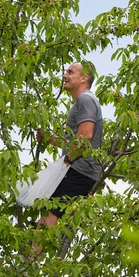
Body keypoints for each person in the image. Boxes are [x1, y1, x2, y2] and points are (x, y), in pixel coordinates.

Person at [36, 61, 103, 229]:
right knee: (49, 209)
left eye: (70, 72)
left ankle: (33, 256)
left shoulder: (85, 99)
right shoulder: (81, 102)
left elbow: (86, 137)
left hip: (80, 170)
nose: (64, 75)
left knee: (49, 210)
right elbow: (76, 140)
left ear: (84, 78)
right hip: (81, 170)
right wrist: (49, 139)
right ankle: (37, 252)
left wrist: (67, 160)